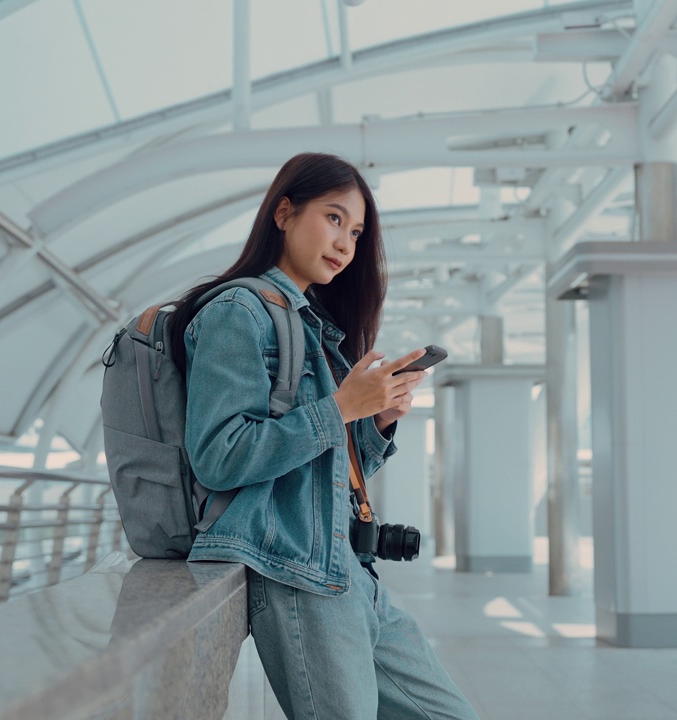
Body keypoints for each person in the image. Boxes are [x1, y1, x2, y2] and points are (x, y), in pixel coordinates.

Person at [168, 152, 479, 720]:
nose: (345, 243)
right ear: (284, 213)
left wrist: (375, 423)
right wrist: (340, 408)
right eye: (334, 218)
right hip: (296, 576)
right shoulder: (240, 310)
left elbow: (318, 471)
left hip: (350, 572)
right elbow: (220, 456)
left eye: (356, 232)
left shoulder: (311, 326)